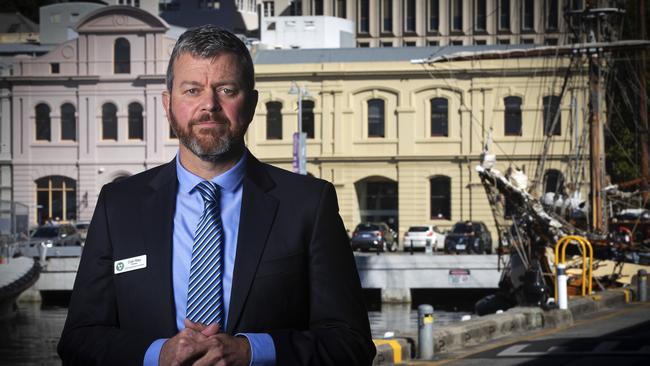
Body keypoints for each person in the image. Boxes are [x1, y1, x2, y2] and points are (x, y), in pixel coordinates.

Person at [58, 25, 375, 365]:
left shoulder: (309, 204)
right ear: (168, 105)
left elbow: (351, 343)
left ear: (251, 104)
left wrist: (253, 351)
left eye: (226, 89)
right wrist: (156, 355)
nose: (209, 105)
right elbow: (79, 340)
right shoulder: (118, 206)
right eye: (192, 90)